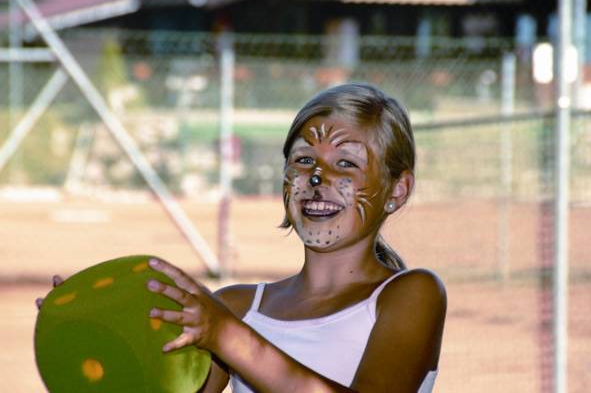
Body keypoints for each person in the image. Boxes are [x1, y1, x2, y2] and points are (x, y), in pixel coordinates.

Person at [145, 82, 447, 392]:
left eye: (346, 163)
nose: (317, 177)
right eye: (303, 159)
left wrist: (227, 336)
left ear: (397, 189)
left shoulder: (411, 294)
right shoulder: (236, 306)